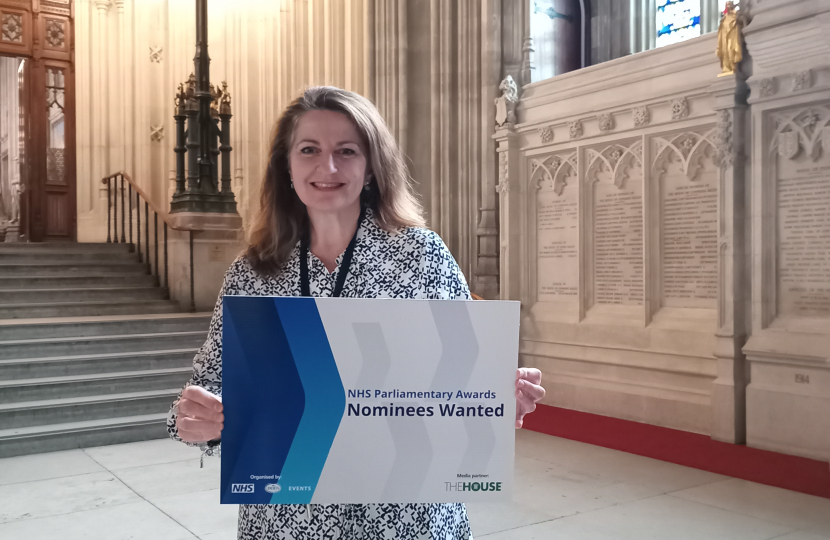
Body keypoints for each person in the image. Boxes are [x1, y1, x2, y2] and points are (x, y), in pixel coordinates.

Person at [167, 86, 546, 540]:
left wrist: (501, 394)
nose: (327, 167)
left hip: (407, 520)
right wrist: (200, 419)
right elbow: (207, 384)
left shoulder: (420, 256)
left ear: (370, 168)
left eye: (346, 151)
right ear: (286, 166)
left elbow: (471, 378)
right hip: (290, 521)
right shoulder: (253, 273)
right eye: (309, 150)